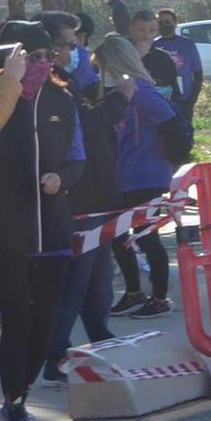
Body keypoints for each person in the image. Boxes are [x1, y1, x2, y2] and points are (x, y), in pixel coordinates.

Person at [0, 22, 84, 421]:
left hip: (51, 226)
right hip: (1, 228)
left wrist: (62, 178)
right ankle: (16, 413)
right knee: (17, 318)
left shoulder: (61, 99)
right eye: (26, 56)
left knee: (43, 322)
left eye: (41, 56)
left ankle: (20, 397)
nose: (35, 64)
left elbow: (78, 158)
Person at [43, 39, 128, 385]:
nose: (73, 49)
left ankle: (101, 339)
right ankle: (55, 355)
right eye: (65, 42)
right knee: (75, 284)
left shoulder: (71, 83)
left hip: (98, 197)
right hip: (79, 199)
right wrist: (121, 97)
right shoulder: (51, 89)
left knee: (99, 281)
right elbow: (88, 123)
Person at [92, 35, 180, 320]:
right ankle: (134, 292)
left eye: (102, 65)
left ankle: (159, 298)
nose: (100, 71)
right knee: (118, 236)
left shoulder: (140, 91)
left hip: (148, 175)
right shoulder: (116, 92)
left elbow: (171, 122)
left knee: (147, 238)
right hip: (124, 175)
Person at [151, 8, 204, 117]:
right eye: (160, 23)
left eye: (167, 22)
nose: (164, 25)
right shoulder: (153, 45)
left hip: (184, 98)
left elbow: (198, 73)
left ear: (175, 23)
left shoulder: (187, 44)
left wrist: (192, 99)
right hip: (162, 98)